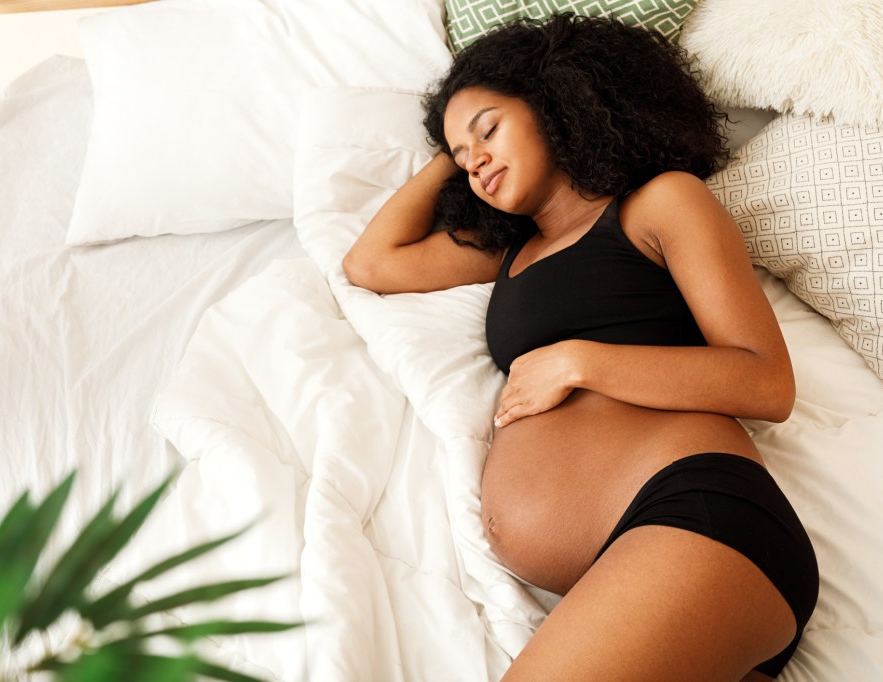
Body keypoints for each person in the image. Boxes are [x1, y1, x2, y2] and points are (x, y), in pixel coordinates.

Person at [342, 12, 818, 682]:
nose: (474, 159)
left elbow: (766, 383)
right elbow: (371, 265)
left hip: (696, 522)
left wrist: (577, 361)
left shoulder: (657, 204)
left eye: (489, 129)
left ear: (556, 104)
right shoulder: (509, 252)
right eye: (460, 156)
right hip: (629, 573)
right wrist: (448, 154)